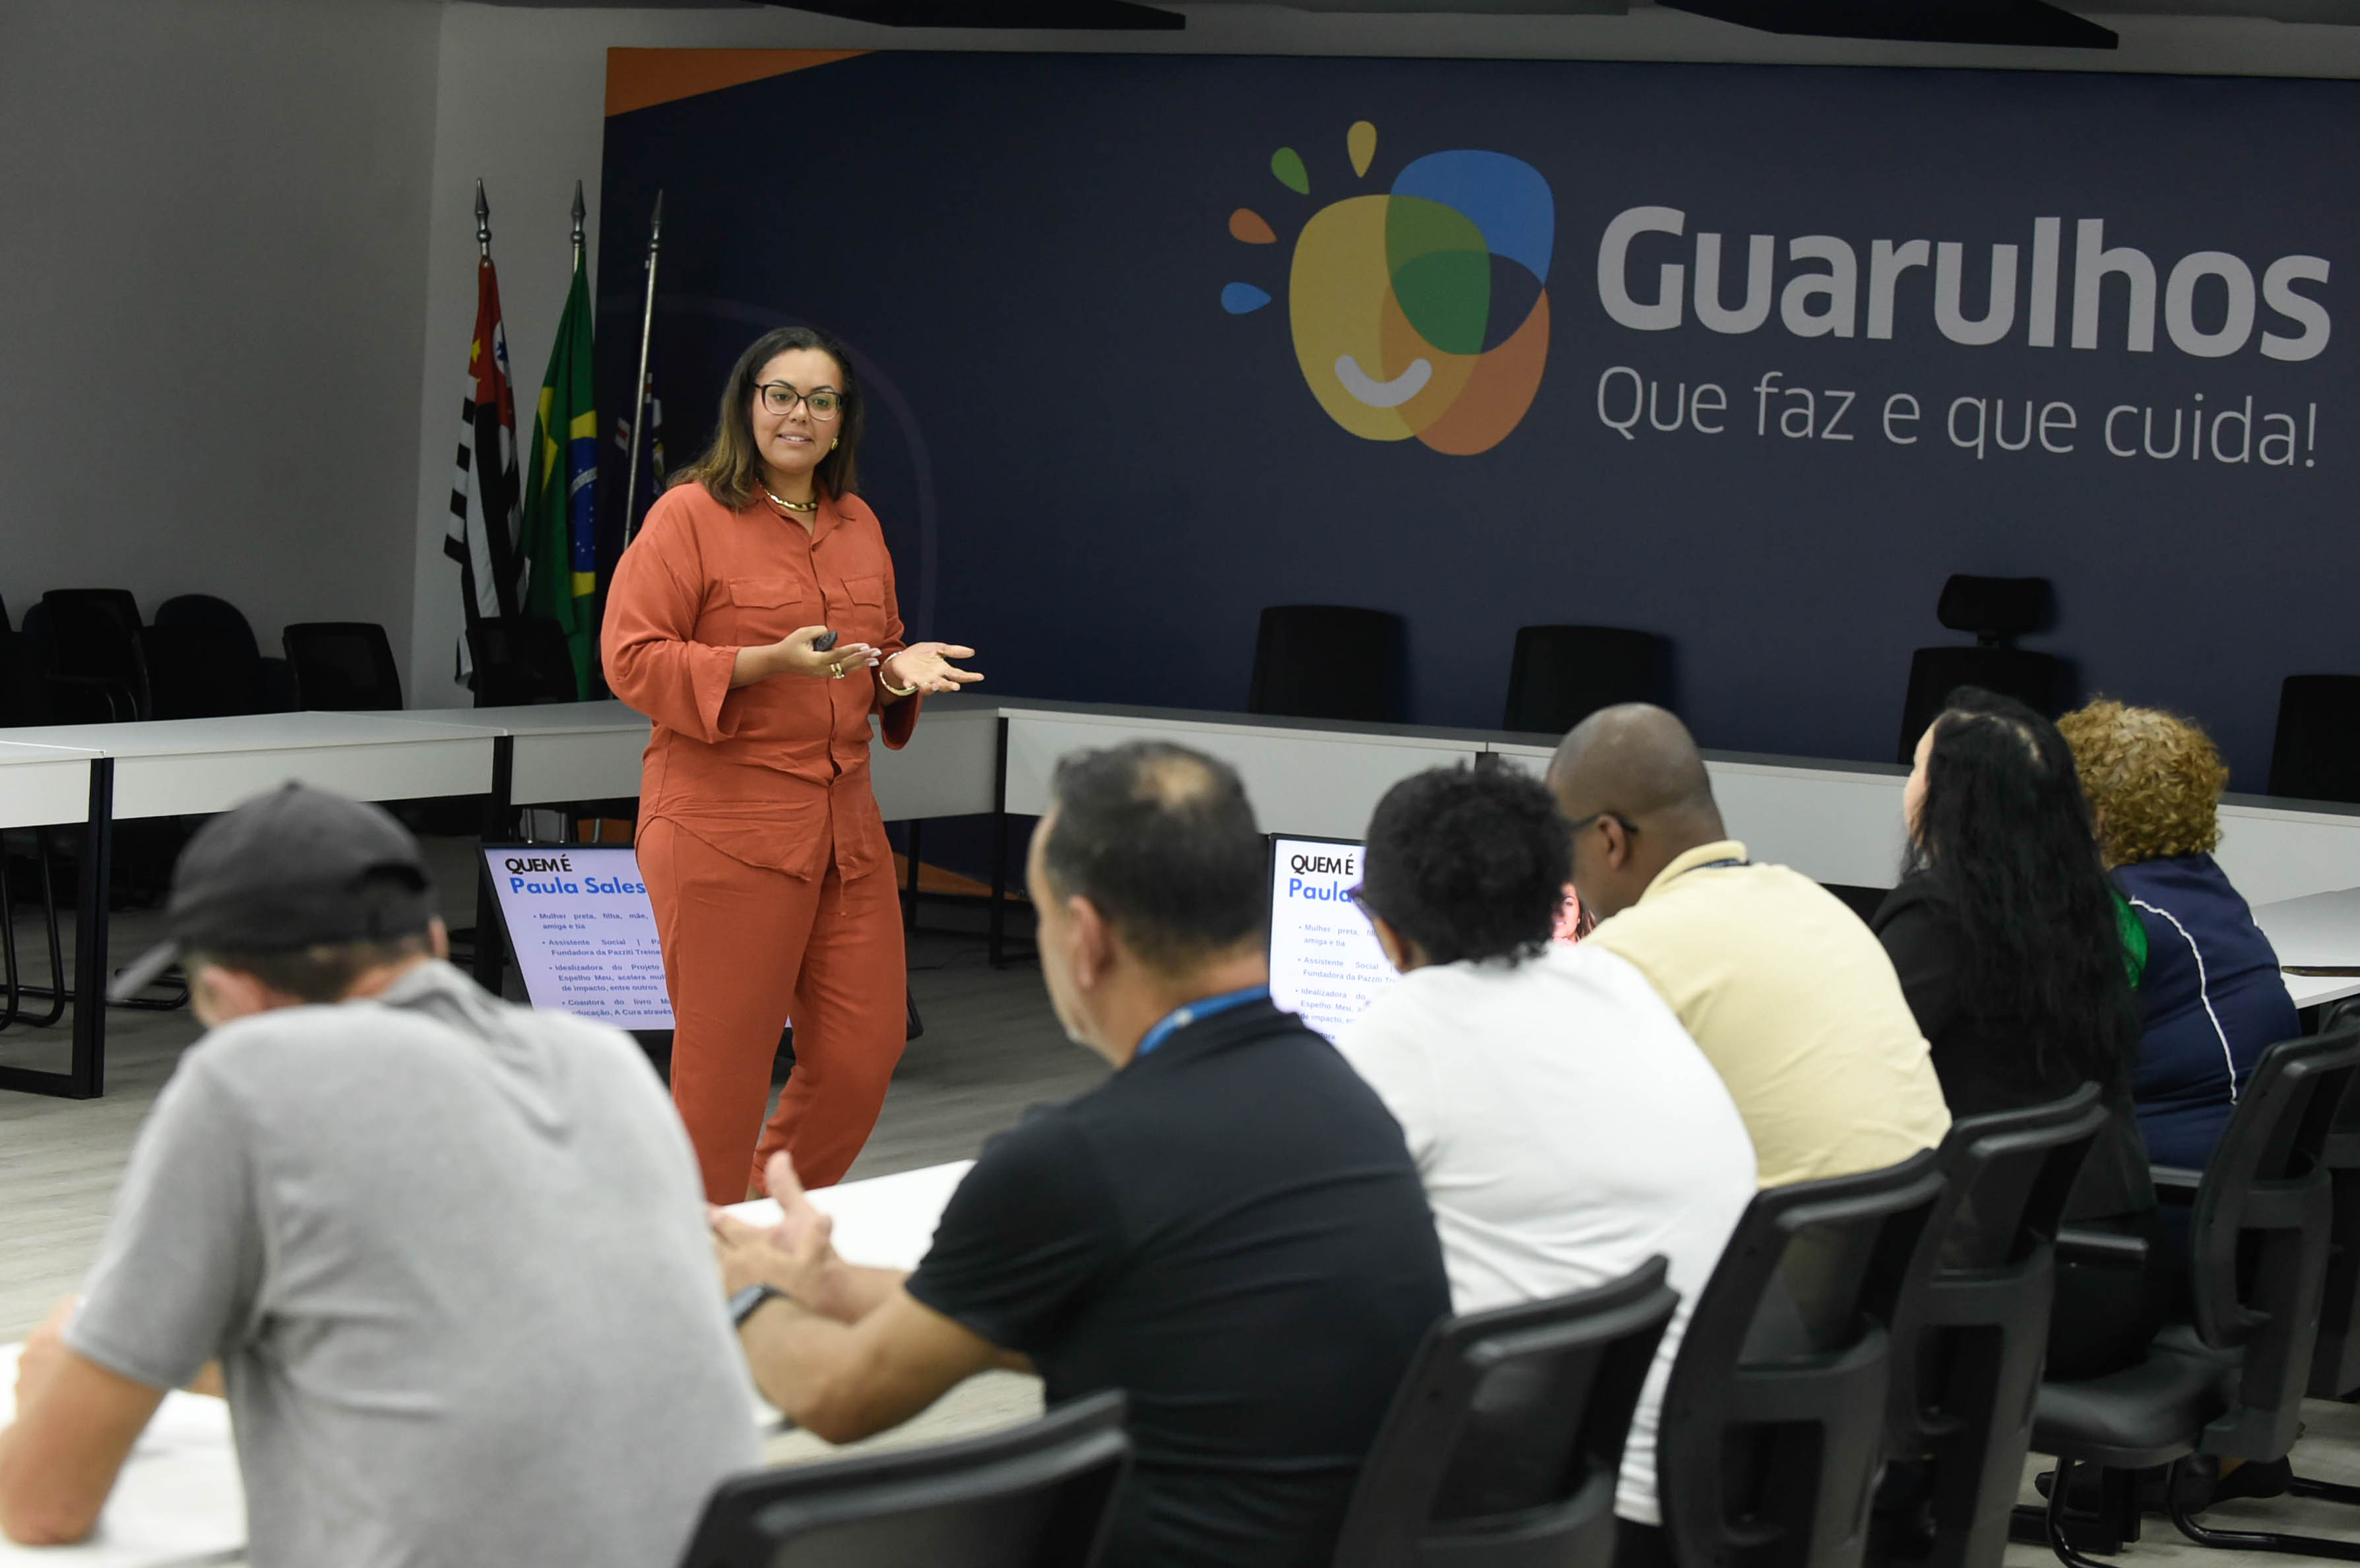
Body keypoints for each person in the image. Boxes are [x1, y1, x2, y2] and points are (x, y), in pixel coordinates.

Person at [710, 741, 1449, 1568]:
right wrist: (829, 1285)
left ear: (1087, 938)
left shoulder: (1074, 1160)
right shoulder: (1351, 1103)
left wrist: (747, 1291)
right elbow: (1134, 1328)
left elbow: (838, 1395)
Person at [0, 784, 754, 1565]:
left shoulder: (248, 1082)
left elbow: (43, 1505)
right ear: (432, 943)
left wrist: (62, 1383)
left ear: (227, 992)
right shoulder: (601, 1060)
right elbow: (466, 1347)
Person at [1334, 761, 1754, 1562]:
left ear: (1387, 930)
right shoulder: (1618, 983)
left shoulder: (1408, 1027)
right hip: (1704, 1475)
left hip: (1572, 1504)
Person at [604, 325, 983, 1201]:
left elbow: (871, 651)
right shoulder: (688, 515)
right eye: (780, 395)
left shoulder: (858, 523)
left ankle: (761, 1220)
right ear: (748, 405)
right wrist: (759, 663)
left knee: (863, 1052)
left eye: (821, 400)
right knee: (723, 1071)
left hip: (845, 831)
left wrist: (897, 670)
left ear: (842, 419)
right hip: (721, 827)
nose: (798, 415)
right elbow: (631, 659)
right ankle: (705, 1252)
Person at [1874, 689, 2160, 1376]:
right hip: (2109, 1271)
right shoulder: (2088, 911)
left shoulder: (1938, 916)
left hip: (2008, 1295)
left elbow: (1855, 1071)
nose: (1906, 787)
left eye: (1915, 769)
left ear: (1951, 798)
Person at [1546, 704, 1950, 1187]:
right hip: (1921, 1216)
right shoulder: (1813, 903)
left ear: (1610, 838)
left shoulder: (1622, 957)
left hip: (1798, 1229)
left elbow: (1555, 1144)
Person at [2059, 699, 2300, 1169]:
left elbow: (2051, 1054)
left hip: (2168, 1172)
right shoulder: (2203, 883)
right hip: (2241, 1158)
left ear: (2098, 817)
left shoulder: (2124, 913)